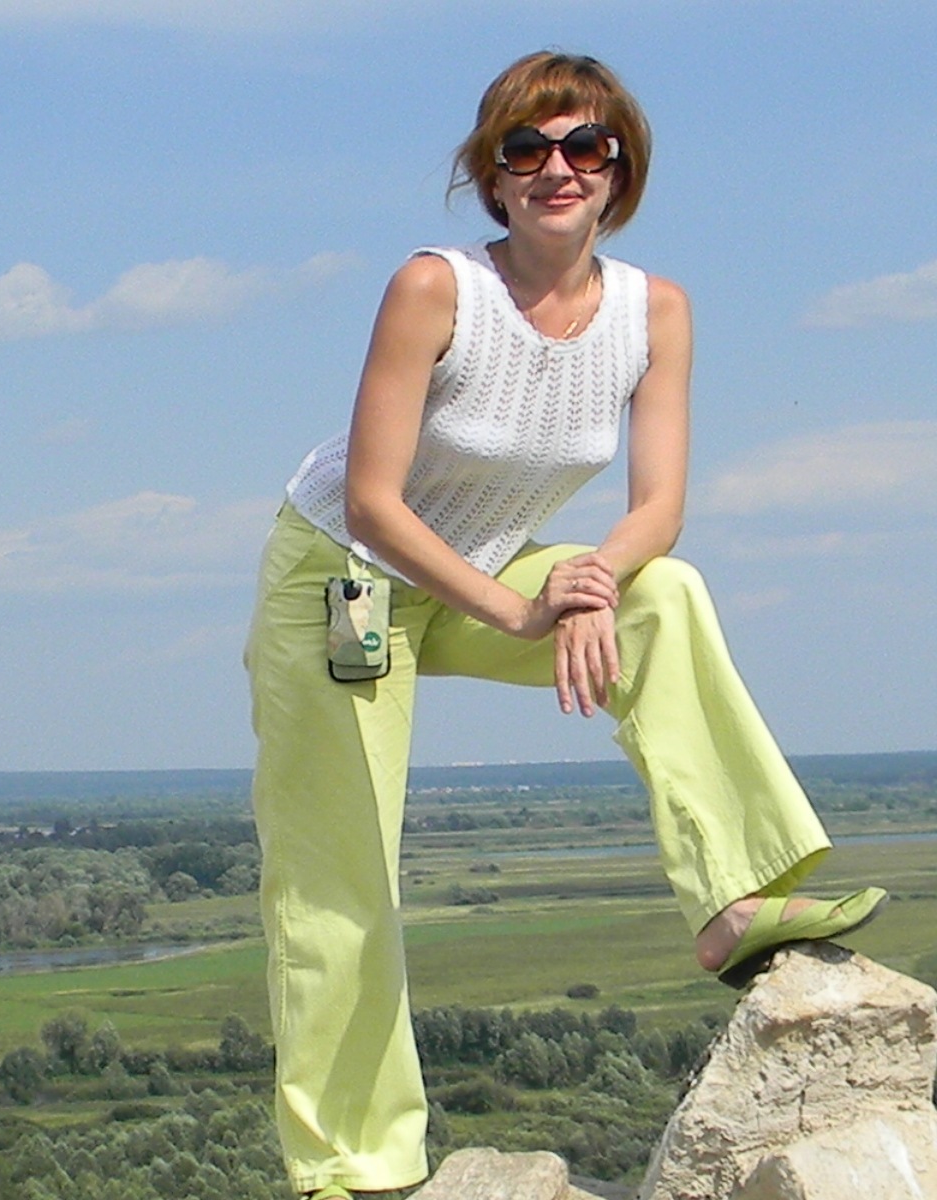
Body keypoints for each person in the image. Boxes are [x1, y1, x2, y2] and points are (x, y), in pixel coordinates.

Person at [243, 51, 885, 1198]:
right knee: (340, 876)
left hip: (490, 572)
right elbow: (375, 503)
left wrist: (589, 584)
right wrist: (526, 608)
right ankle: (353, 1168)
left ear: (619, 170)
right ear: (489, 175)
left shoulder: (655, 312)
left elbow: (658, 509)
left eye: (584, 145)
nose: (557, 168)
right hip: (344, 580)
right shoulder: (435, 288)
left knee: (664, 594)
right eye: (525, 148)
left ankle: (734, 898)